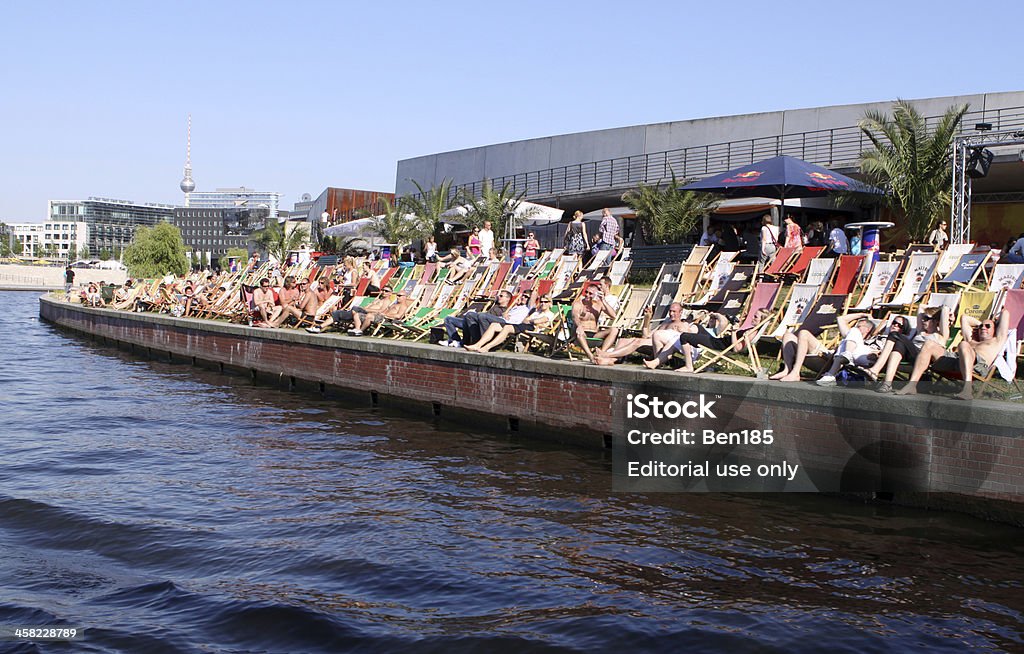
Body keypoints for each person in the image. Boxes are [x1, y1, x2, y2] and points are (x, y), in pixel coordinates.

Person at [896, 308, 1011, 400]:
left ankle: (967, 389)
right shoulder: (972, 339)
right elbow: (964, 318)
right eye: (981, 326)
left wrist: (996, 319)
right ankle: (912, 385)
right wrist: (983, 324)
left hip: (977, 365)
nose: (983, 328)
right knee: (929, 344)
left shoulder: (997, 340)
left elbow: (1005, 313)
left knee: (963, 344)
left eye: (987, 326)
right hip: (956, 359)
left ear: (995, 330)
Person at [862, 306, 950, 393]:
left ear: (936, 321)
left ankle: (875, 370)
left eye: (926, 318)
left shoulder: (941, 335)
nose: (923, 320)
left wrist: (941, 309)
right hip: (909, 354)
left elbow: (945, 311)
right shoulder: (921, 331)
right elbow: (921, 306)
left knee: (895, 334)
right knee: (899, 344)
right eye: (923, 317)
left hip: (922, 358)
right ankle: (887, 383)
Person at [466, 295, 555, 353]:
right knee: (494, 325)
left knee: (507, 328)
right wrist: (531, 320)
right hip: (523, 325)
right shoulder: (537, 311)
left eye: (545, 302)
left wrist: (531, 320)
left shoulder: (550, 314)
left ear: (550, 303)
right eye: (542, 301)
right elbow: (525, 320)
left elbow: (537, 321)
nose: (543, 303)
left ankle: (487, 347)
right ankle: (477, 345)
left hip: (532, 329)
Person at [814, 313, 879, 387]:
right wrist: (862, 314)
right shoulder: (851, 335)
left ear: (868, 329)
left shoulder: (875, 338)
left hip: (866, 355)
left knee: (848, 338)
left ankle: (831, 374)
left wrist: (876, 354)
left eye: (859, 326)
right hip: (852, 352)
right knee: (846, 340)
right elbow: (840, 319)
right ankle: (846, 357)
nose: (856, 327)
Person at [571, 283, 617, 362]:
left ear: (596, 294)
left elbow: (613, 316)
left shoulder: (598, 304)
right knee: (579, 332)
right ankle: (591, 356)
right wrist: (579, 326)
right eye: (586, 292)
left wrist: (603, 301)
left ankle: (601, 353)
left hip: (595, 334)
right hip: (581, 333)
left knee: (614, 330)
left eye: (590, 293)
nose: (587, 295)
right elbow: (575, 317)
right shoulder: (578, 304)